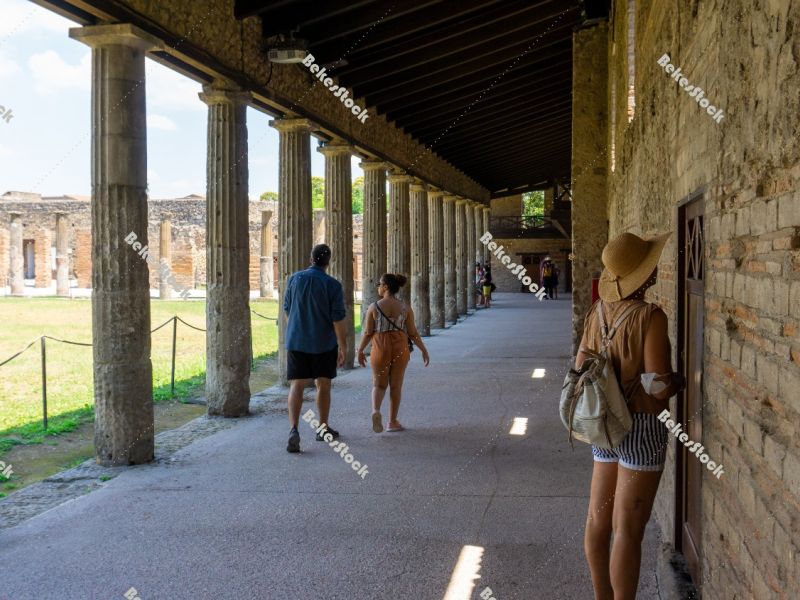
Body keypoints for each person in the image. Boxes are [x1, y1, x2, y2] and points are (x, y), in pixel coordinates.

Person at [576, 232, 686, 600]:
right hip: (640, 425)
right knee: (628, 527)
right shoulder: (650, 316)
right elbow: (656, 385)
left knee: (597, 519)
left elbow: (580, 366)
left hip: (605, 422)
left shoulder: (596, 313)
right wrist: (678, 382)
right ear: (644, 274)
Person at [283, 244, 347, 453]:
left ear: (311, 258)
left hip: (297, 341)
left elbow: (287, 309)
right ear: (328, 261)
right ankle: (322, 427)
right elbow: (337, 318)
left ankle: (294, 429)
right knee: (323, 384)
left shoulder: (294, 279)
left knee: (297, 385)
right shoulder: (333, 285)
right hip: (323, 342)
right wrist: (342, 345)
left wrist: (297, 328)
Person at [357, 273, 430, 432]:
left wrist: (360, 350)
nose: (378, 286)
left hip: (380, 348)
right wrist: (423, 350)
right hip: (400, 348)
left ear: (386, 287)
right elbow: (413, 333)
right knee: (396, 386)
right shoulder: (405, 308)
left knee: (379, 384)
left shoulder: (374, 307)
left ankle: (376, 410)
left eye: (379, 284)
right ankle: (392, 422)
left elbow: (368, 333)